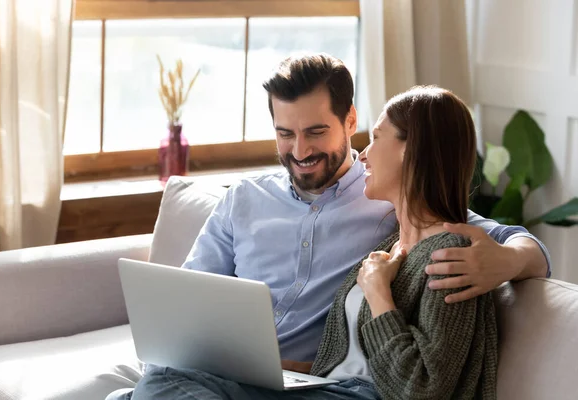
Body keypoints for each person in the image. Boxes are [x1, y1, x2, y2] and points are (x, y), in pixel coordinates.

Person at [106, 54, 550, 400]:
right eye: (285, 133)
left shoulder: (392, 205)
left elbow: (488, 236)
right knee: (159, 378)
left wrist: (509, 260)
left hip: (318, 388)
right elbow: (184, 303)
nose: (300, 150)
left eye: (316, 132)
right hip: (257, 379)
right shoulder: (243, 199)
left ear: (350, 122)